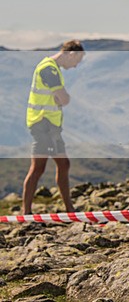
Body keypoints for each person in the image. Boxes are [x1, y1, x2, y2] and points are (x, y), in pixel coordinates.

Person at [22, 40, 85, 215]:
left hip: (50, 125)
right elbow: (64, 99)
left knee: (62, 164)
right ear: (71, 54)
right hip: (43, 124)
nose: (74, 67)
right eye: (76, 61)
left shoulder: (51, 68)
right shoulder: (49, 69)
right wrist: (64, 99)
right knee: (39, 167)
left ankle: (68, 209)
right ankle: (26, 213)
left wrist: (62, 99)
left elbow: (61, 98)